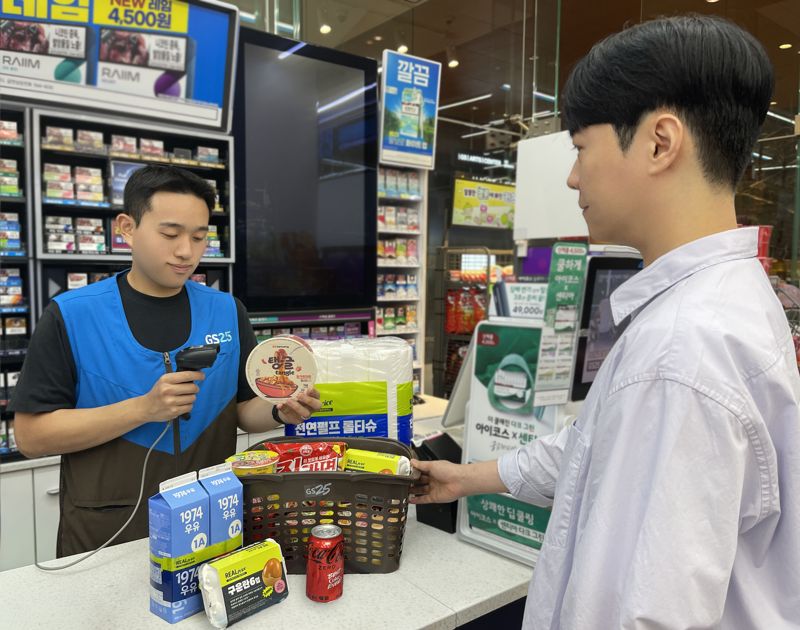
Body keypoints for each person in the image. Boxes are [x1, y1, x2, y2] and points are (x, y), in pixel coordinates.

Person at [411, 15, 800, 629]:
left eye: (580, 147)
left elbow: (647, 614)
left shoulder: (681, 350)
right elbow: (598, 447)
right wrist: (468, 477)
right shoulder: (720, 303)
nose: (571, 176)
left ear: (659, 142)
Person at [10, 165, 321, 557]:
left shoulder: (227, 311)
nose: (186, 251)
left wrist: (281, 410)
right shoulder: (72, 315)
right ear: (126, 227)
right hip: (107, 533)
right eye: (170, 234)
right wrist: (143, 409)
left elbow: (243, 411)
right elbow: (31, 436)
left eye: (199, 236)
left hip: (210, 524)